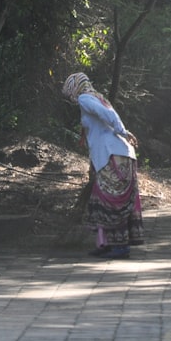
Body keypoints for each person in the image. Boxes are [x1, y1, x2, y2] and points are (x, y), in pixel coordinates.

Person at [62, 72, 144, 258]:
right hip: (117, 154)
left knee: (110, 201)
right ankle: (105, 243)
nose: (71, 98)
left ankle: (119, 246)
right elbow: (106, 121)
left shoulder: (85, 99)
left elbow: (106, 116)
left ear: (75, 88)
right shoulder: (98, 97)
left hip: (112, 155)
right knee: (101, 199)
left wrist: (123, 131)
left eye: (69, 93)